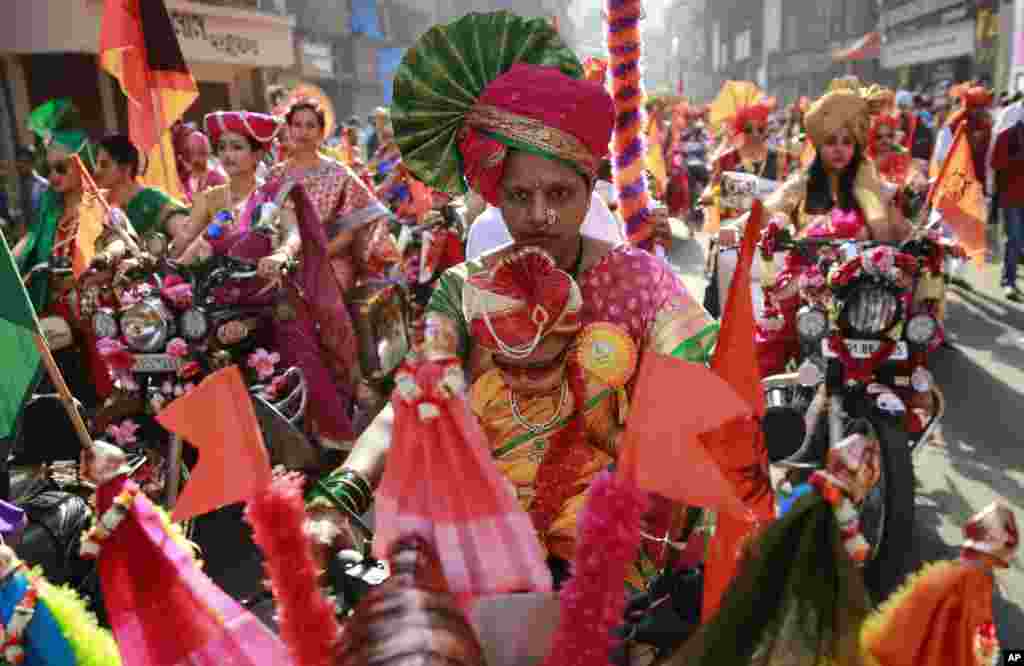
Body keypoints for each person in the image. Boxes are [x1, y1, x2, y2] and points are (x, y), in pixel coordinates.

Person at [304, 11, 718, 581]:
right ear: (496, 193)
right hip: (484, 551)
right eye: (519, 195)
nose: (539, 215)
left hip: (613, 559)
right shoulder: (463, 288)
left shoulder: (640, 281)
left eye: (560, 193)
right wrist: (336, 497)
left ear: (589, 187)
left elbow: (706, 392)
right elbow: (412, 399)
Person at [171, 110, 362, 449]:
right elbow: (185, 241)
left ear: (258, 154)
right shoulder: (213, 199)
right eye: (223, 147)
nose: (228, 155)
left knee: (298, 349)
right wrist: (157, 255)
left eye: (238, 147)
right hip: (217, 302)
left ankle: (323, 439)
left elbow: (292, 235)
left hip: (267, 299)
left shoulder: (276, 194)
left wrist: (281, 255)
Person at [751, 88, 911, 376]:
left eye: (847, 142)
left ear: (858, 145)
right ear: (818, 145)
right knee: (772, 335)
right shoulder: (802, 183)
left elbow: (901, 230)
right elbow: (771, 210)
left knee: (910, 331)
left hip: (862, 284)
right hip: (805, 278)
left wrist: (933, 238)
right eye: (831, 142)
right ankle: (765, 404)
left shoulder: (877, 188)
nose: (839, 150)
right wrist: (740, 227)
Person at [91, 134, 189, 241]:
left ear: (125, 169)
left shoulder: (151, 200)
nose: (97, 171)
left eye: (104, 165)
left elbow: (186, 234)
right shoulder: (106, 211)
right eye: (98, 164)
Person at [990, 110, 1024, 301]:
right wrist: (1018, 158)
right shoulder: (1008, 136)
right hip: (1012, 198)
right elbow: (996, 163)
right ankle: (1009, 282)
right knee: (1014, 240)